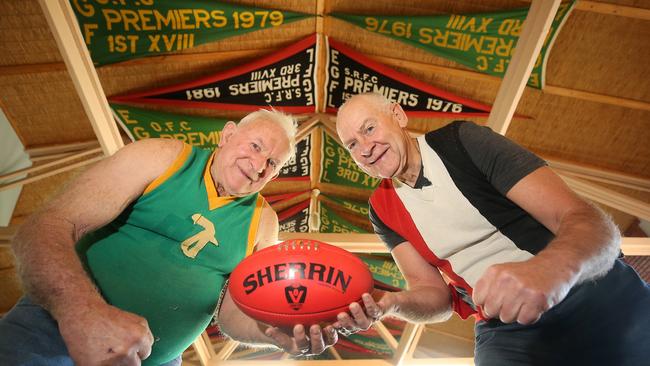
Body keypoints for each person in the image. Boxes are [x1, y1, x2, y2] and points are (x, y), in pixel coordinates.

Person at [332, 92, 650, 365]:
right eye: (351, 145)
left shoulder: (463, 142)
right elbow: (436, 298)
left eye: (369, 128)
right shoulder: (381, 209)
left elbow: (588, 222)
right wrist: (390, 304)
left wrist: (546, 270)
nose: (365, 148)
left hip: (579, 285)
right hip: (507, 328)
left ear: (398, 115)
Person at [0, 109, 338, 366]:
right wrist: (82, 313)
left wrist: (277, 333)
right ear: (227, 134)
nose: (258, 165)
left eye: (273, 164)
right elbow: (48, 225)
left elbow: (234, 313)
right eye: (255, 146)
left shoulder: (264, 223)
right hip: (53, 331)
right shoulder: (163, 158)